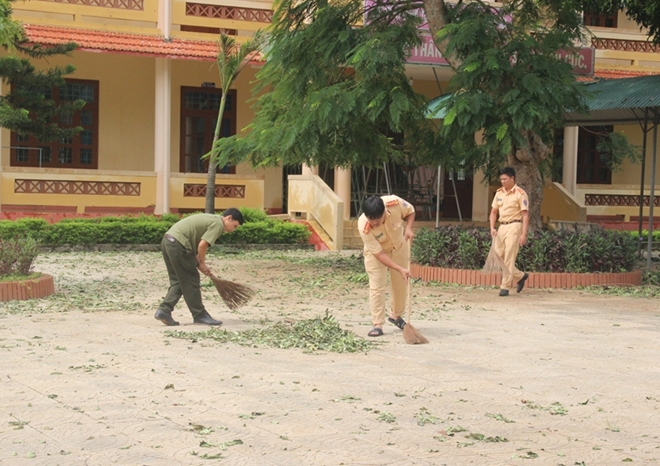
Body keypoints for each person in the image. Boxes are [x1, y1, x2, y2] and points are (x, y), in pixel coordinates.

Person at [154, 209, 244, 326]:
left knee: (178, 281)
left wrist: (198, 260)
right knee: (191, 280)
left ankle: (164, 311)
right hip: (179, 244)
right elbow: (203, 245)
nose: (233, 230)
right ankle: (199, 315)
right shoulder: (218, 224)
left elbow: (196, 244)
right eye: (235, 226)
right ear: (229, 218)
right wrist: (202, 263)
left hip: (168, 241)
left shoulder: (212, 219)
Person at [357, 195, 415, 337]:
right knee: (377, 287)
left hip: (399, 248)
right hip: (376, 255)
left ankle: (396, 316)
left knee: (401, 283)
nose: (374, 223)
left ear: (384, 212)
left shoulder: (394, 203)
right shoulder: (363, 225)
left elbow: (411, 211)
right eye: (372, 221)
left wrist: (408, 228)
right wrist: (399, 268)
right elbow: (380, 255)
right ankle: (377, 324)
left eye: (378, 220)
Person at [489, 167, 529, 297]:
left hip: (515, 226)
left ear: (512, 178)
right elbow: (493, 212)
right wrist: (492, 227)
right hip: (502, 226)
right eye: (501, 179)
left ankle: (505, 286)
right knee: (498, 254)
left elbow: (525, 215)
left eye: (505, 179)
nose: (503, 181)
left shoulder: (520, 193)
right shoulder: (499, 193)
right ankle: (520, 276)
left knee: (509, 257)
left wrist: (523, 234)